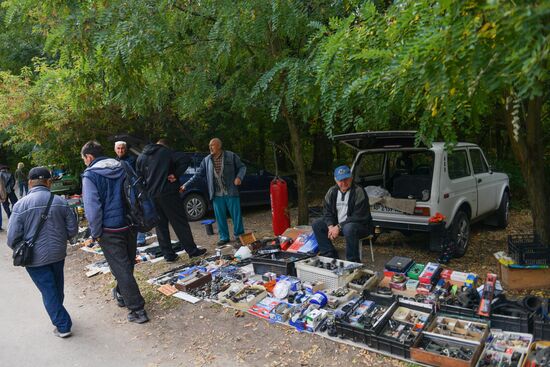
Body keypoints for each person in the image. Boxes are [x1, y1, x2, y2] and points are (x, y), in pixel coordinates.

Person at [81, 141, 149, 324]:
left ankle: (137, 309)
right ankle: (121, 293)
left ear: (89, 157)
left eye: (84, 159)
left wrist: (95, 233)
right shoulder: (122, 166)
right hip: (130, 223)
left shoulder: (90, 175)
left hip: (110, 230)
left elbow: (92, 208)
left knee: (121, 268)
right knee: (126, 265)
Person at [7, 167, 78, 338]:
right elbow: (72, 229)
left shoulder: (20, 205)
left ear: (30, 182)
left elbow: (11, 238)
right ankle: (59, 314)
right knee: (56, 287)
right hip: (58, 253)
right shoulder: (60, 202)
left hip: (34, 258)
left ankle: (63, 325)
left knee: (48, 290)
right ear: (48, 182)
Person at [136, 139, 206, 261]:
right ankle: (192, 251)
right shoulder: (165, 152)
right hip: (168, 193)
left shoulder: (141, 157)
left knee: (160, 226)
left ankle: (168, 255)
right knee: (179, 222)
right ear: (165, 146)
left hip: (152, 195)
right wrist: (176, 174)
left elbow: (139, 177)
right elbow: (185, 159)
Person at [182, 138, 246, 246]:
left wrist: (239, 177)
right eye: (209, 145)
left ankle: (239, 235)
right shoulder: (207, 160)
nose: (210, 147)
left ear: (219, 146)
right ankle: (224, 237)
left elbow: (242, 167)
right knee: (220, 217)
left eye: (212, 145)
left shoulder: (230, 155)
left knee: (236, 215)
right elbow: (197, 175)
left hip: (231, 191)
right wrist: (185, 185)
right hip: (216, 193)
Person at [312, 165, 372, 263]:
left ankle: (352, 262)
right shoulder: (331, 192)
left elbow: (359, 216)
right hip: (339, 226)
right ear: (335, 180)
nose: (343, 183)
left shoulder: (358, 191)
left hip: (361, 227)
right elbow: (327, 212)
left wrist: (339, 227)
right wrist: (331, 226)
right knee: (317, 224)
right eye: (340, 180)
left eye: (346, 179)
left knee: (349, 228)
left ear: (351, 177)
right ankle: (330, 256)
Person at [114, 141, 145, 246]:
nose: (120, 150)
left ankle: (140, 239)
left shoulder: (132, 160)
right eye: (118, 148)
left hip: (133, 191)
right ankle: (130, 238)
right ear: (115, 149)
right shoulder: (114, 162)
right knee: (127, 215)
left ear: (125, 149)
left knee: (138, 213)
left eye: (122, 148)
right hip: (122, 192)